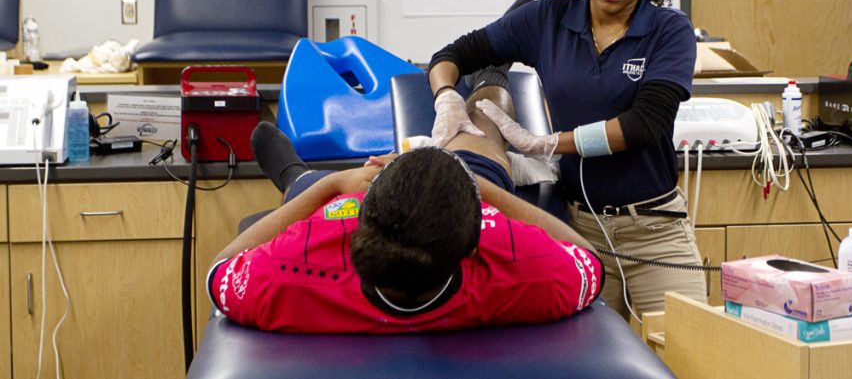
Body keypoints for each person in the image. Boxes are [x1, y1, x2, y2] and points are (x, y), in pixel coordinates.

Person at [428, 0, 706, 321]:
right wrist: (446, 94)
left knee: (690, 357)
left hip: (656, 231)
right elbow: (451, 54)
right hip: (580, 230)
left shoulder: (670, 30)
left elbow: (645, 124)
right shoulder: (547, 19)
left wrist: (549, 144)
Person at [207, 83, 603, 333]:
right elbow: (587, 258)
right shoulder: (527, 270)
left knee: (303, 190)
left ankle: (297, 176)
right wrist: (477, 187)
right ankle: (490, 78)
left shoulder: (289, 269)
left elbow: (221, 269)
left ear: (360, 222)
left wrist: (332, 185)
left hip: (351, 214)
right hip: (471, 190)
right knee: (486, 119)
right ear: (473, 243)